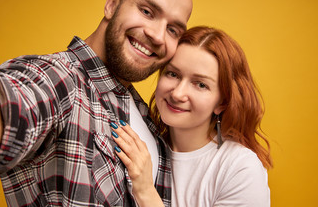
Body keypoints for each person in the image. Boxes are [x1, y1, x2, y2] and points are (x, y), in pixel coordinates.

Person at [0, 0, 193, 206]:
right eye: (147, 11)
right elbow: (6, 104)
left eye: (172, 29)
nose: (158, 36)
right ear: (112, 5)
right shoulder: (60, 78)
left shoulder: (147, 115)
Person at [111, 26, 273, 207]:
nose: (178, 94)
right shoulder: (143, 142)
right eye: (173, 74)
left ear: (222, 103)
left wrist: (145, 191)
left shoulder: (240, 168)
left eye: (200, 84)